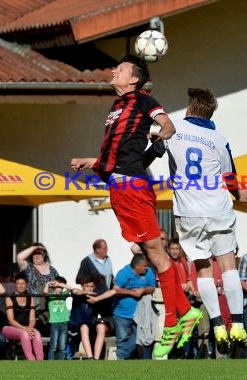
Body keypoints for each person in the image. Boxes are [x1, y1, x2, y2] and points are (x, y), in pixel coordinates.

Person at [70, 54, 199, 358]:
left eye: (121, 69)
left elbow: (167, 126)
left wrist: (157, 140)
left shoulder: (142, 99)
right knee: (150, 254)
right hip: (119, 185)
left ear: (134, 79)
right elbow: (120, 151)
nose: (114, 71)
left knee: (157, 254)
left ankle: (171, 323)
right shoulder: (116, 107)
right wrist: (93, 162)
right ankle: (186, 313)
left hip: (134, 187)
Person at [158, 88, 247, 356]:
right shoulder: (218, 138)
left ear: (189, 109)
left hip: (189, 212)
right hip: (219, 208)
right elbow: (230, 177)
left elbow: (155, 147)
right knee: (228, 267)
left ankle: (218, 325)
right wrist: (238, 194)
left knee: (203, 271)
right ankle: (237, 324)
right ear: (210, 113)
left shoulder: (173, 130)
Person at [105, 254, 156, 360]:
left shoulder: (149, 272)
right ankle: (121, 364)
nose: (147, 268)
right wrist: (131, 293)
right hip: (122, 314)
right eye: (144, 266)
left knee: (140, 336)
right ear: (137, 266)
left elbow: (152, 288)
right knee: (122, 340)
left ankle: (120, 355)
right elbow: (116, 290)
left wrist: (143, 290)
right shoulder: (124, 273)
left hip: (141, 313)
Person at [2, 273, 44, 361]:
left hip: (27, 327)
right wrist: (26, 329)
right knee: (24, 334)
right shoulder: (9, 298)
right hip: (9, 327)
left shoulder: (30, 298)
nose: (21, 286)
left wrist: (30, 328)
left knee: (37, 334)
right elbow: (11, 320)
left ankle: (40, 362)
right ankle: (31, 360)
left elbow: (32, 318)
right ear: (15, 284)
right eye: (18, 283)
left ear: (27, 284)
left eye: (23, 283)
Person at [69, 276, 111, 360]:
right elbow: (74, 291)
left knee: (101, 327)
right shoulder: (78, 296)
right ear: (82, 286)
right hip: (76, 326)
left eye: (91, 286)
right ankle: (90, 357)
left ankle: (96, 358)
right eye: (87, 286)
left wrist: (96, 298)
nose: (89, 289)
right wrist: (85, 293)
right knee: (84, 327)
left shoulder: (95, 298)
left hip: (90, 324)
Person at [16, 243, 60, 321]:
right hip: (32, 308)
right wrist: (34, 247)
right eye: (34, 253)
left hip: (50, 308)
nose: (36, 256)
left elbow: (59, 284)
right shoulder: (28, 267)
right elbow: (19, 257)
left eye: (39, 253)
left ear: (45, 256)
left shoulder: (52, 270)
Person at [44, 276, 70, 360]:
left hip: (64, 323)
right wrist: (48, 284)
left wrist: (59, 284)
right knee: (53, 346)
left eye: (60, 288)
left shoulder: (63, 295)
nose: (59, 289)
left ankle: (61, 363)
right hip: (54, 323)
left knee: (62, 346)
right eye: (57, 287)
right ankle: (51, 364)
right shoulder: (51, 296)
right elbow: (44, 293)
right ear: (53, 288)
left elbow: (70, 288)